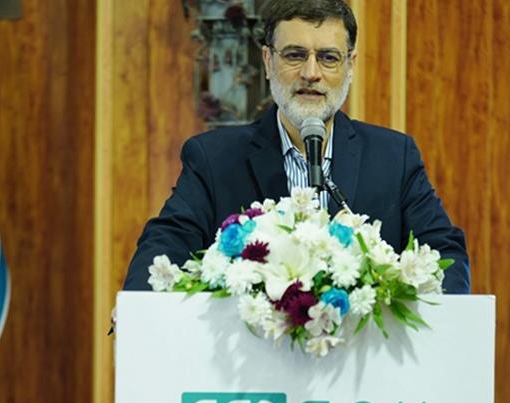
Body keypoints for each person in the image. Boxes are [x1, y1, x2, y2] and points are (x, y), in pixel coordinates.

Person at [123, 0, 469, 294]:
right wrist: (138, 306)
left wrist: (447, 318)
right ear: (267, 61)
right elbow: (168, 240)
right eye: (294, 55)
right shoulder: (214, 158)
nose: (311, 73)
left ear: (350, 66)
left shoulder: (393, 157)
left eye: (329, 58)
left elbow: (443, 250)